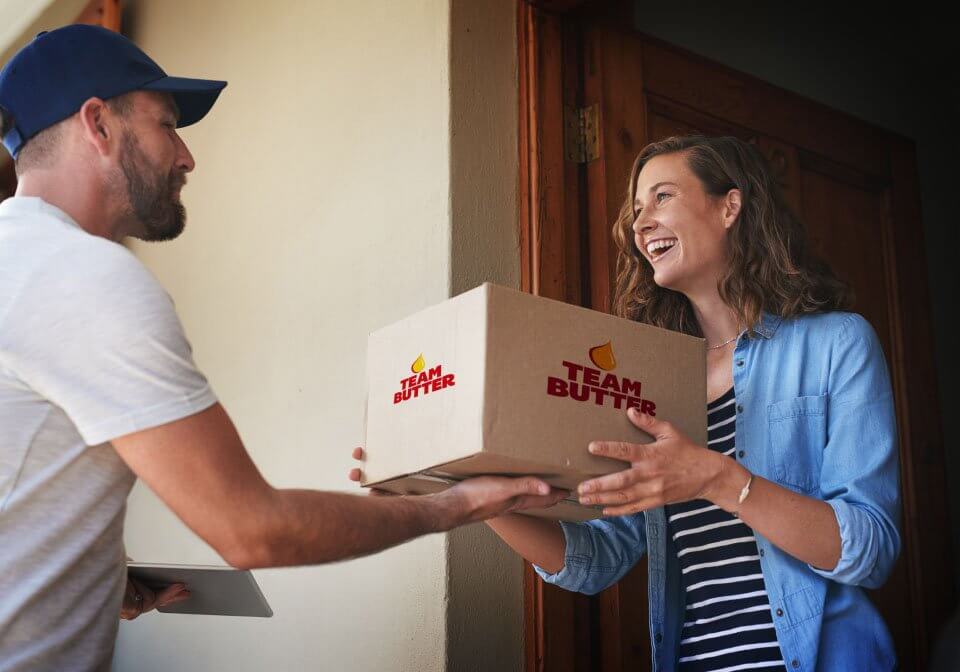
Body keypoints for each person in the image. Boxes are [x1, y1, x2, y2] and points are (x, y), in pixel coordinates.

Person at [0, 25, 564, 672]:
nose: (186, 157)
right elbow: (253, 529)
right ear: (98, 124)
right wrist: (456, 504)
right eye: (166, 124)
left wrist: (83, 577)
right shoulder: (82, 278)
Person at [480, 136, 901, 670]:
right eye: (637, 210)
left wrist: (715, 479)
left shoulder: (837, 343)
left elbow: (870, 550)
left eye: (663, 197)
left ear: (730, 206)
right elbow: (599, 559)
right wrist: (483, 499)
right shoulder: (648, 384)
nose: (640, 224)